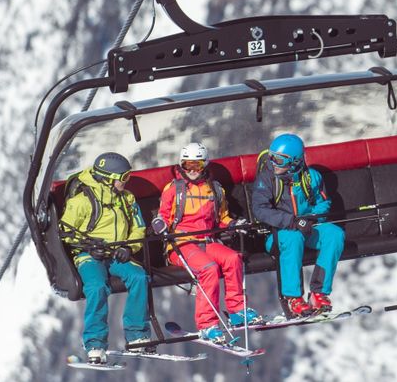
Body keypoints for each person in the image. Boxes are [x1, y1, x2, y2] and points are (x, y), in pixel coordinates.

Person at [151, 142, 259, 343]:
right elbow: (163, 216)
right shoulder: (174, 189)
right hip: (181, 244)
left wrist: (234, 223)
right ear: (181, 165)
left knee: (233, 258)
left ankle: (237, 311)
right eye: (187, 165)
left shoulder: (215, 189)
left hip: (207, 240)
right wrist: (159, 224)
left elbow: (222, 217)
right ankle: (207, 324)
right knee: (209, 269)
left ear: (205, 165)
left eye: (197, 165)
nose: (192, 171)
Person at [60, 152, 152, 365]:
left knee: (139, 277)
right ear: (109, 178)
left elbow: (139, 227)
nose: (126, 182)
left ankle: (137, 334)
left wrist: (129, 247)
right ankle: (95, 343)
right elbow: (65, 233)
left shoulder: (127, 199)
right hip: (88, 256)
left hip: (117, 254)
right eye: (124, 177)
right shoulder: (81, 202)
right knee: (96, 286)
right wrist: (88, 247)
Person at [251, 134, 345, 318]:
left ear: (294, 161)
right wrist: (292, 222)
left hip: (307, 228)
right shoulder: (267, 179)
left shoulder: (312, 178)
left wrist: (311, 219)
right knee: (293, 238)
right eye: (271, 157)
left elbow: (323, 202)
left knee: (334, 234)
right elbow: (260, 209)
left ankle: (319, 293)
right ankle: (293, 298)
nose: (273, 163)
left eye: (278, 159)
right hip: (278, 235)